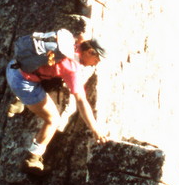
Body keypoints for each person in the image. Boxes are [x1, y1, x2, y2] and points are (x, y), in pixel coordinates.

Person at [6, 37, 108, 173]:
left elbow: (81, 35)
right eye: (96, 60)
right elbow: (81, 101)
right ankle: (33, 158)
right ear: (90, 52)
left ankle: (20, 100)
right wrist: (95, 130)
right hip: (22, 84)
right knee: (53, 120)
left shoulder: (71, 44)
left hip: (13, 67)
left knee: (56, 79)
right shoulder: (72, 68)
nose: (94, 64)